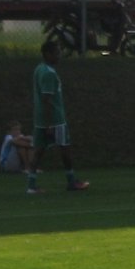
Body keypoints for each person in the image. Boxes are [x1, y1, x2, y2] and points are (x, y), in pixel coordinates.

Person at [25, 41, 90, 194]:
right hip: (55, 120)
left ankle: (31, 186)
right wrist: (50, 124)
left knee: (38, 151)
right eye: (57, 53)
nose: (59, 56)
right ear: (48, 54)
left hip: (40, 120)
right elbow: (47, 99)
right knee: (65, 150)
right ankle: (71, 181)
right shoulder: (48, 73)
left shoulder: (39, 69)